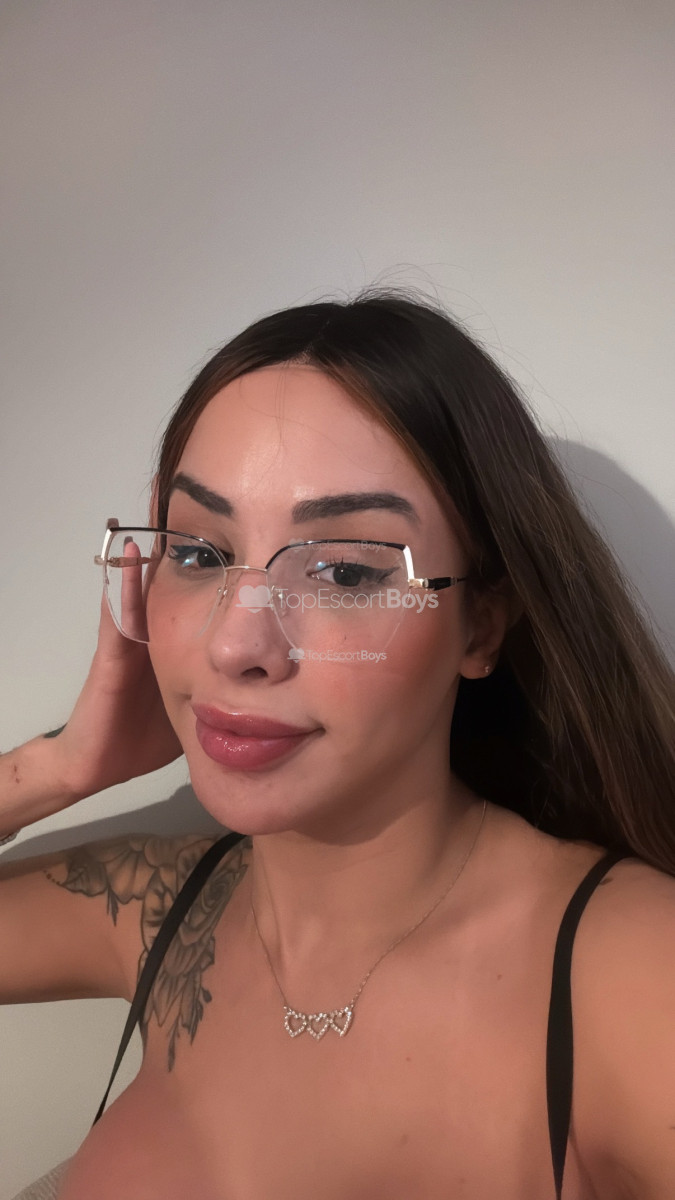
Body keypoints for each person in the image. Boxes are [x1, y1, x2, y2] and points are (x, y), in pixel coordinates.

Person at [1, 291, 674, 1200]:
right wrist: (60, 765)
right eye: (198, 554)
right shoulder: (159, 912)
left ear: (480, 627)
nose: (235, 645)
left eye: (345, 571)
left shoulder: (625, 976)